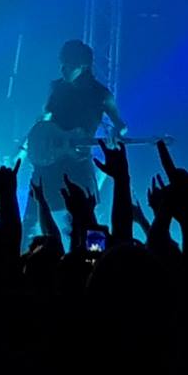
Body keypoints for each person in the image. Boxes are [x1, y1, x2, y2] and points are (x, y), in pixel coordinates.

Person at [23, 39, 127, 239]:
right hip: (48, 162)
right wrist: (27, 146)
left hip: (78, 165)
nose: (62, 69)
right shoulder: (56, 88)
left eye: (68, 65)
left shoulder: (101, 94)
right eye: (61, 63)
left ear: (83, 65)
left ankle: (91, 264)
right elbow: (42, 120)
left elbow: (121, 125)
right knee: (31, 219)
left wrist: (117, 132)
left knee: (88, 221)